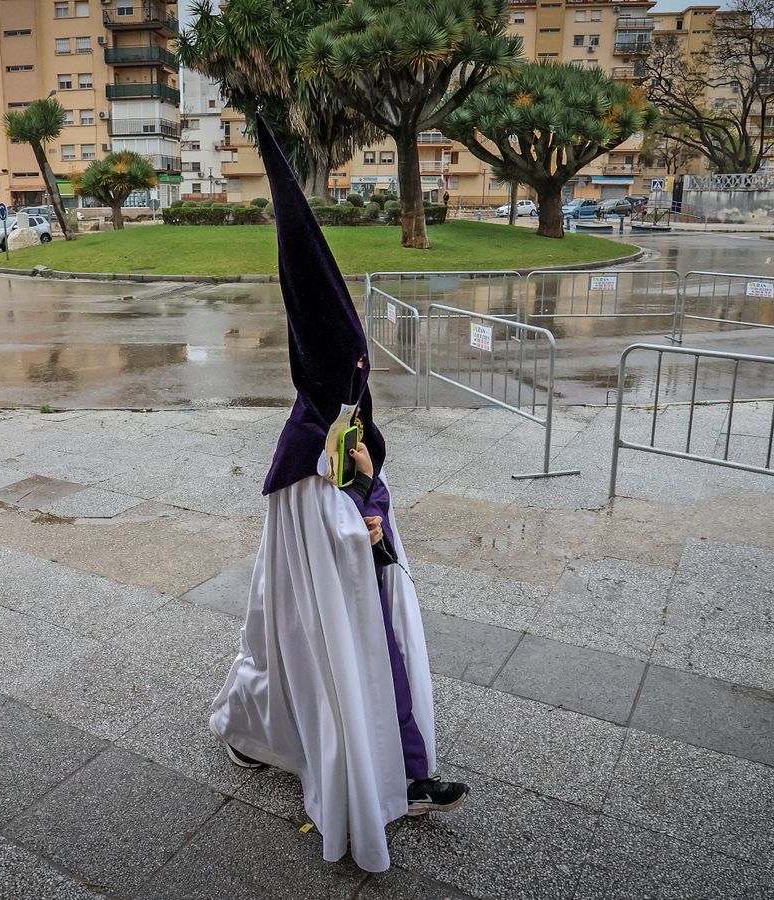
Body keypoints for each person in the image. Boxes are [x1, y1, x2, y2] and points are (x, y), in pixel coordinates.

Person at [209, 114, 467, 876]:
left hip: (353, 581)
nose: (360, 376)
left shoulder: (344, 408)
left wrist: (373, 501)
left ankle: (403, 773)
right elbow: (323, 530)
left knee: (368, 660)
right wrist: (361, 531)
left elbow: (364, 470)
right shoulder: (303, 447)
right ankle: (350, 764)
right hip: (323, 595)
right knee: (303, 663)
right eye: (351, 367)